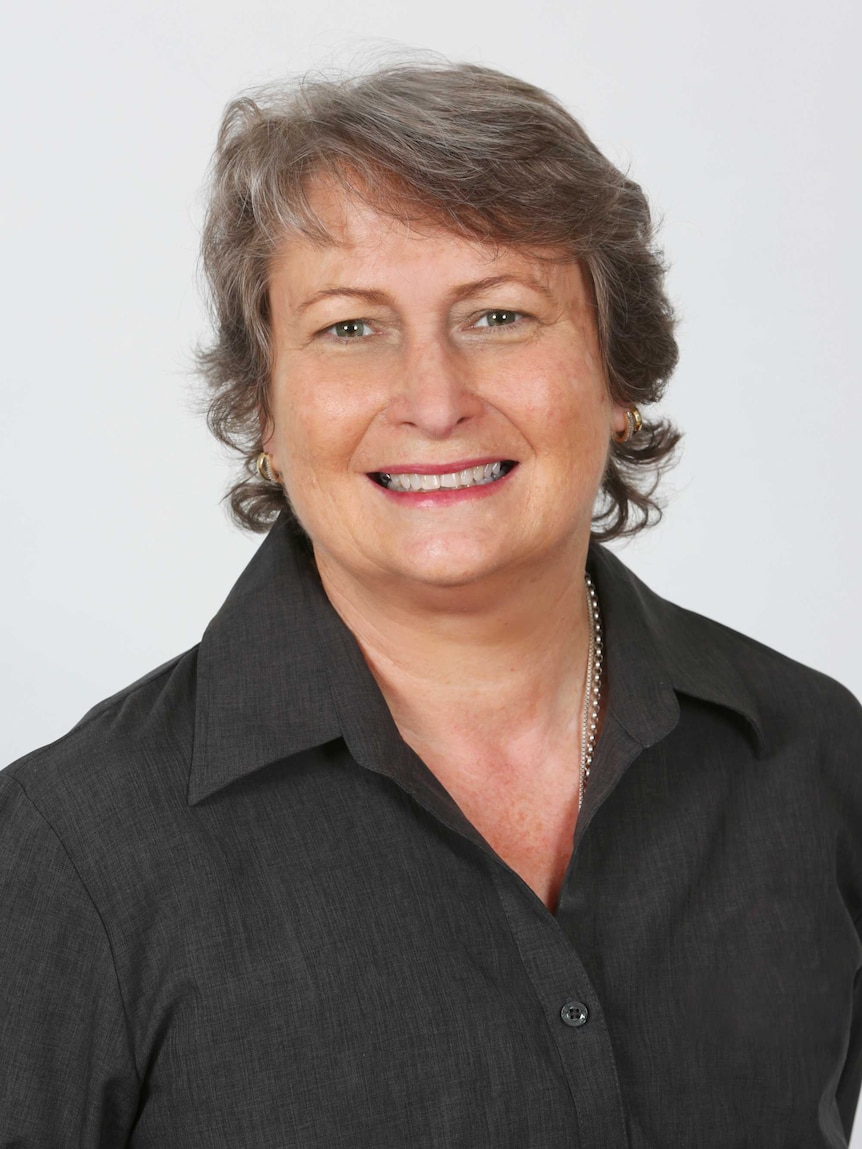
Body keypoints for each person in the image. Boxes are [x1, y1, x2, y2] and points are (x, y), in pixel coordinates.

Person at [2, 60, 861, 1149]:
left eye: (498, 314)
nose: (435, 400)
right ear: (262, 406)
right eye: (351, 329)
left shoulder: (814, 761)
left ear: (621, 381)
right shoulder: (69, 854)